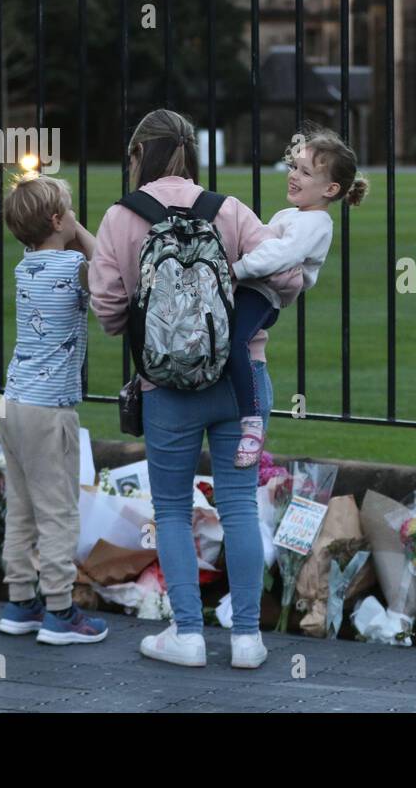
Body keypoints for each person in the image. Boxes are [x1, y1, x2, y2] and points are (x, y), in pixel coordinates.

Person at [88, 109, 303, 669]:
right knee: (236, 504)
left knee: (174, 509)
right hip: (240, 380)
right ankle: (248, 638)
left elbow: (109, 308)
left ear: (139, 156)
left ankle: (186, 633)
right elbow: (290, 278)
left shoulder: (120, 217)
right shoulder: (227, 209)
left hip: (165, 384)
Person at [0, 174, 108, 645]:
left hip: (14, 402)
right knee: (58, 509)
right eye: (69, 209)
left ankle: (21, 600)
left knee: (21, 507)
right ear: (60, 220)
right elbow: (109, 267)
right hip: (48, 411)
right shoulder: (69, 267)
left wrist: (64, 223)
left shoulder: (28, 265)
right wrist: (80, 229)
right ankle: (60, 610)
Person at [228, 124, 366, 468]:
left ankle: (251, 422)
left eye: (305, 172)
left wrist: (236, 269)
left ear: (330, 188)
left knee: (233, 342)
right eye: (294, 167)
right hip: (253, 288)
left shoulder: (316, 223)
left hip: (261, 295)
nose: (293, 176)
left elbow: (280, 256)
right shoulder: (293, 215)